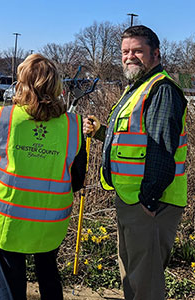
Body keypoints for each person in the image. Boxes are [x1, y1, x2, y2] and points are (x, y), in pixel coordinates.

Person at [84, 25, 187, 300]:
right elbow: (134, 138)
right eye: (125, 52)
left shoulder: (161, 90)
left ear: (155, 53)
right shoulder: (137, 88)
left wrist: (149, 200)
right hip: (131, 200)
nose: (129, 57)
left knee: (146, 286)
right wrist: (101, 133)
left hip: (151, 205)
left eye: (137, 51)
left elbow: (161, 147)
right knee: (131, 278)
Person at [0, 53, 87, 300]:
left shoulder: (3, 118)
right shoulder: (73, 125)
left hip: (7, 219)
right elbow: (78, 178)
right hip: (50, 224)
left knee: (11, 287)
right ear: (56, 85)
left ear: (22, 83)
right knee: (49, 278)